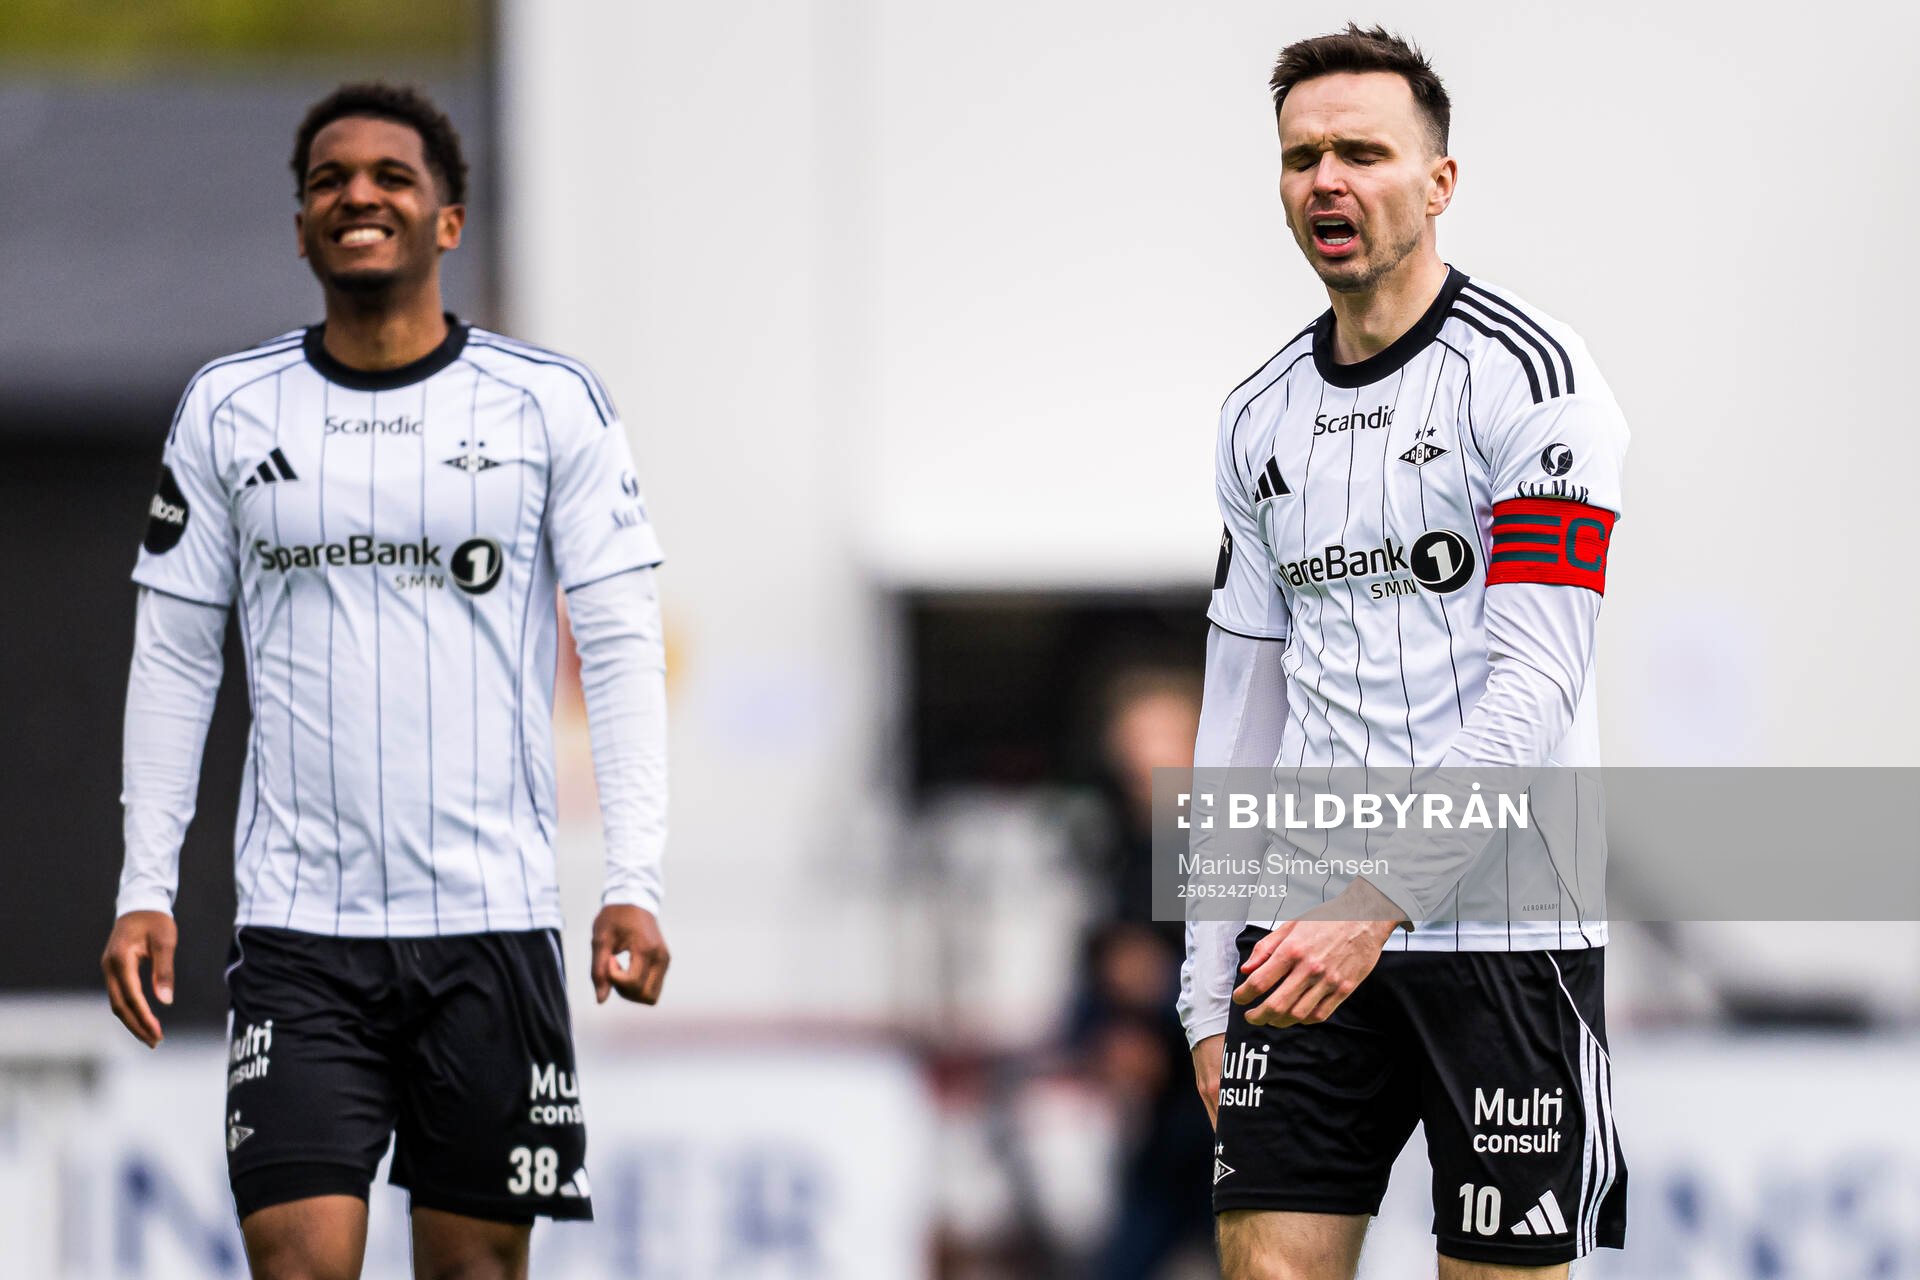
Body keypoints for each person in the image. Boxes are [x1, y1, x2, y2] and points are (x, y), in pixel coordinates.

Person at [100, 83, 671, 1280]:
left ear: (448, 223)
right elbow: (173, 655)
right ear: (301, 228)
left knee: (474, 1270)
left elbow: (619, 645)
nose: (358, 193)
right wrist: (143, 883)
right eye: (329, 180)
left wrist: (635, 878)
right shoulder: (227, 408)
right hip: (303, 939)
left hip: (492, 927)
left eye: (391, 177)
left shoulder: (547, 404)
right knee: (297, 1259)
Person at [1179, 26, 1628, 1279]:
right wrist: (1207, 984)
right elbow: (1239, 712)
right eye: (1301, 156)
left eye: (1362, 152)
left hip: (1504, 932)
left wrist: (1370, 906)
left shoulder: (1536, 380)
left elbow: (1533, 688)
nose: (1326, 179)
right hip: (1303, 937)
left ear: (1438, 181)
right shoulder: (1258, 417)